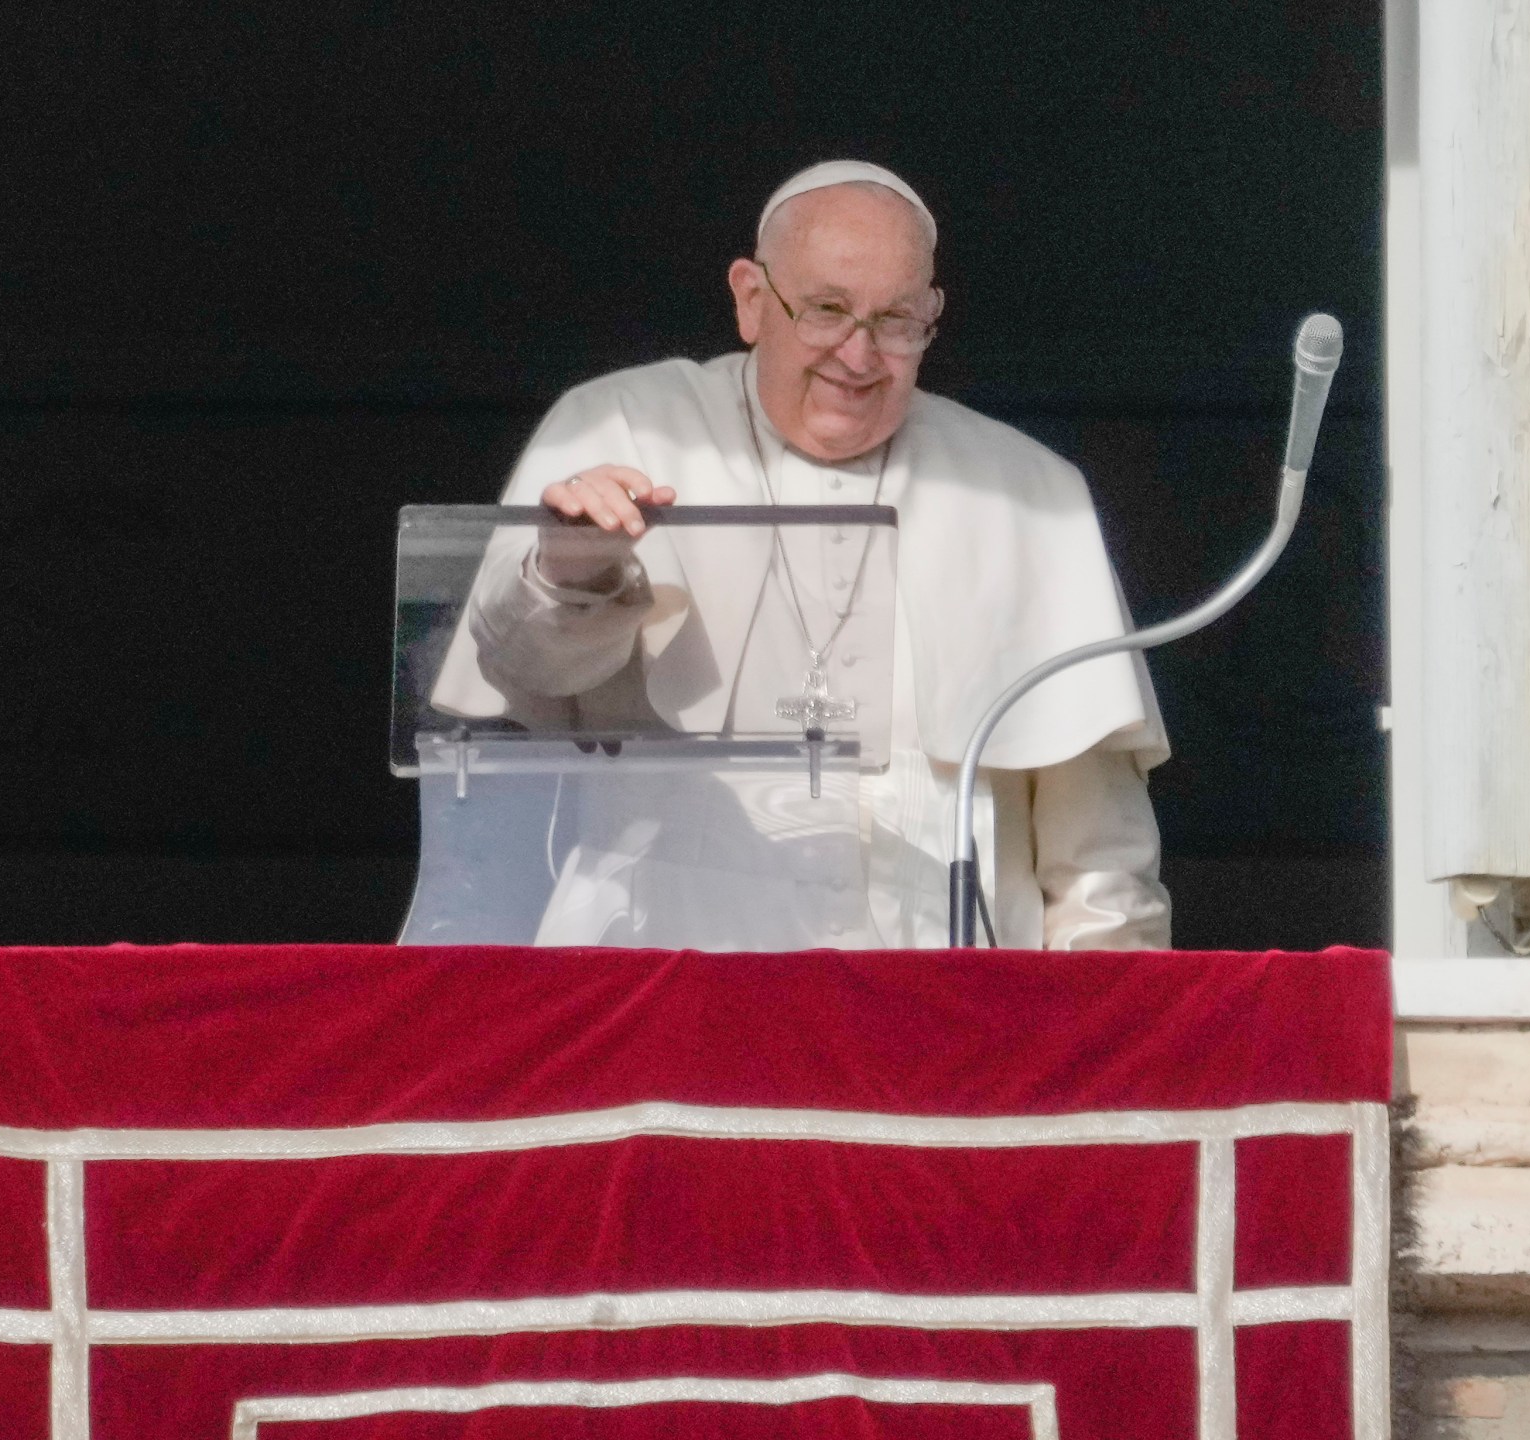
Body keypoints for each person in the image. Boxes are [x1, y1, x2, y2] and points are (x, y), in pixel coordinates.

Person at [431, 160, 1170, 951]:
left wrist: (1100, 1038)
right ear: (752, 299)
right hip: (670, 1007)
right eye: (825, 310)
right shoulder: (620, 425)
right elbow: (525, 674)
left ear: (933, 317)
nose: (858, 357)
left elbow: (1100, 859)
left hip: (947, 1024)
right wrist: (573, 571)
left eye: (895, 322)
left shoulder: (1026, 490)